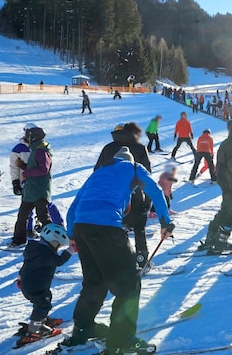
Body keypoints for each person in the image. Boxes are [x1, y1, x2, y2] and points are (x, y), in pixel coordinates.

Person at [63, 147, 173, 354]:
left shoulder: (99, 172)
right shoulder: (133, 167)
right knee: (129, 284)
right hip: (107, 228)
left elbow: (74, 205)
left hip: (82, 227)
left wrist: (72, 236)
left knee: (94, 282)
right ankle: (121, 341)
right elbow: (155, 190)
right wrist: (165, 222)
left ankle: (82, 329)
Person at [94, 123, 152, 268]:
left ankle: (117, 260)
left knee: (115, 227)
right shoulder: (139, 147)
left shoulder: (108, 148)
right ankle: (141, 258)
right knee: (139, 228)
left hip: (112, 195)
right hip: (136, 194)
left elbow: (97, 171)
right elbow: (147, 173)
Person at [16, 224, 74, 346]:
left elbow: (26, 265)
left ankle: (40, 318)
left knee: (42, 301)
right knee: (43, 303)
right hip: (35, 286)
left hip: (29, 283)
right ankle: (36, 328)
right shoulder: (44, 252)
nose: (57, 249)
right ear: (54, 242)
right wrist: (70, 251)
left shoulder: (35, 248)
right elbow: (58, 261)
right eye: (58, 246)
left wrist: (20, 277)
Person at [200, 119, 232, 254]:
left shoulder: (227, 144)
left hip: (227, 184)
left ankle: (211, 238)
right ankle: (221, 242)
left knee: (225, 210)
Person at [10, 127, 53, 247]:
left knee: (43, 216)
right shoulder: (35, 150)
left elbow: (44, 169)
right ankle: (18, 240)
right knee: (22, 216)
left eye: (28, 136)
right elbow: (34, 167)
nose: (26, 139)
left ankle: (52, 241)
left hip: (39, 190)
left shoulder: (41, 151)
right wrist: (23, 166)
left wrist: (25, 173)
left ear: (33, 138)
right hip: (31, 190)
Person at [11, 123, 37, 196]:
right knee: (27, 204)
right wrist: (15, 182)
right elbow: (14, 166)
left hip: (39, 181)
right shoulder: (19, 148)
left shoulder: (39, 146)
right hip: (25, 182)